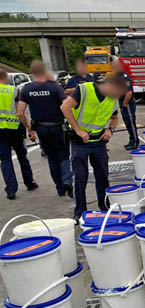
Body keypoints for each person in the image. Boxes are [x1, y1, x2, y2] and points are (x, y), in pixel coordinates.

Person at [60, 73, 127, 222]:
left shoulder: (112, 98)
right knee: (80, 177)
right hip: (80, 143)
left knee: (102, 176)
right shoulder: (84, 90)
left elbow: (114, 117)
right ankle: (80, 212)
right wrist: (78, 130)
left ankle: (105, 208)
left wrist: (110, 130)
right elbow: (65, 107)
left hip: (99, 143)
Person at [18, 60, 73, 198]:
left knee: (52, 159)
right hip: (57, 127)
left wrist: (29, 130)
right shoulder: (54, 88)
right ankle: (68, 181)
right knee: (64, 155)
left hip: (41, 128)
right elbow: (66, 105)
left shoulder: (27, 89)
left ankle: (60, 188)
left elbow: (20, 112)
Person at [0, 69, 37, 200]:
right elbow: (20, 112)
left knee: (5, 160)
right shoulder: (14, 90)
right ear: (6, 78)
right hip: (15, 129)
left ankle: (11, 189)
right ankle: (29, 182)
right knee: (22, 156)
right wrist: (29, 128)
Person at [111, 58, 138, 150]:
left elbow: (129, 92)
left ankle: (135, 141)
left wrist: (125, 104)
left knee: (131, 123)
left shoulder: (124, 76)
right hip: (123, 103)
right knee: (127, 123)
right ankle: (131, 140)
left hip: (128, 104)